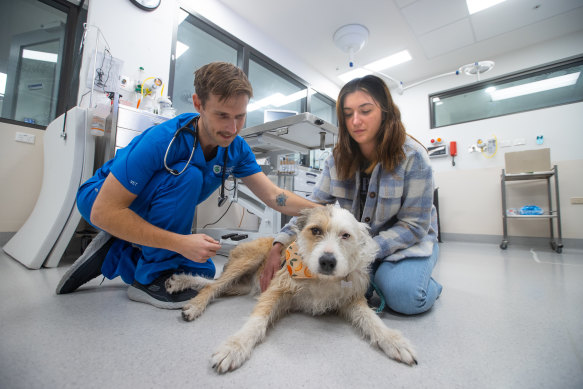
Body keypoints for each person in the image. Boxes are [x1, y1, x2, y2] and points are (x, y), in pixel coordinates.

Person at [56, 62, 318, 309]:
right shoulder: (165, 139)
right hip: (100, 197)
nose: (232, 128)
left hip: (135, 207)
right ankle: (146, 279)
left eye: (240, 117)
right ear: (198, 104)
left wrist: (322, 210)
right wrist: (180, 243)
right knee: (188, 176)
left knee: (202, 271)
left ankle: (115, 253)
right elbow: (104, 211)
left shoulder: (236, 148)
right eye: (222, 115)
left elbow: (273, 195)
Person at [260, 74, 442, 315]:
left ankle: (421, 279)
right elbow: (313, 210)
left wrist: (364, 254)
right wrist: (278, 244)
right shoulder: (337, 159)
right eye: (348, 114)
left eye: (365, 110)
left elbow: (415, 225)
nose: (355, 121)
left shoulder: (413, 157)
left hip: (406, 243)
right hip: (354, 244)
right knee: (351, 290)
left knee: (405, 296)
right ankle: (379, 274)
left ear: (385, 111)